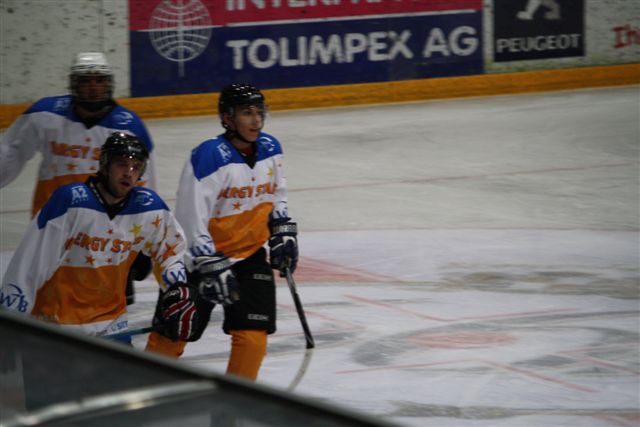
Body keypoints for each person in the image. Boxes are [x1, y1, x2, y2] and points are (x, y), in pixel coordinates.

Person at [145, 84, 299, 382]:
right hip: (198, 262)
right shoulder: (209, 156)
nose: (256, 120)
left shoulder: (271, 148)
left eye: (259, 112)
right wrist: (207, 261)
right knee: (174, 333)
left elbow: (277, 193)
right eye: (246, 113)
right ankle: (142, 390)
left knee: (253, 337)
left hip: (249, 256)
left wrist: (282, 228)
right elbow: (189, 218)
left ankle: (236, 401)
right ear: (228, 118)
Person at [0, 132, 203, 344]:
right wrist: (12, 316)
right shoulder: (70, 202)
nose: (129, 173)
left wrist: (177, 289)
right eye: (121, 164)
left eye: (136, 167)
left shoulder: (148, 208)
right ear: (105, 166)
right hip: (55, 330)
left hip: (111, 327)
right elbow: (29, 265)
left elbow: (170, 251)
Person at [0, 51, 157, 305]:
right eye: (86, 81)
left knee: (107, 305)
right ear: (74, 84)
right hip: (52, 226)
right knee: (45, 301)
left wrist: (143, 242)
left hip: (105, 234)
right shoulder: (45, 115)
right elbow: (10, 152)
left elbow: (143, 183)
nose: (93, 88)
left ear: (109, 84)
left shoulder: (129, 127)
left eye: (99, 81)